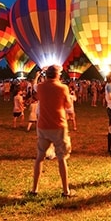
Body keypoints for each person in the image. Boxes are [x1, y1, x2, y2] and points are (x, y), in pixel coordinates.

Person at [30, 65, 74, 197]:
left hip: (42, 125)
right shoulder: (62, 88)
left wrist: (38, 76)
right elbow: (68, 105)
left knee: (40, 157)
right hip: (58, 125)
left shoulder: (41, 87)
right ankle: (66, 191)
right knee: (61, 158)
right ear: (57, 74)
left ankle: (34, 189)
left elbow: (36, 87)